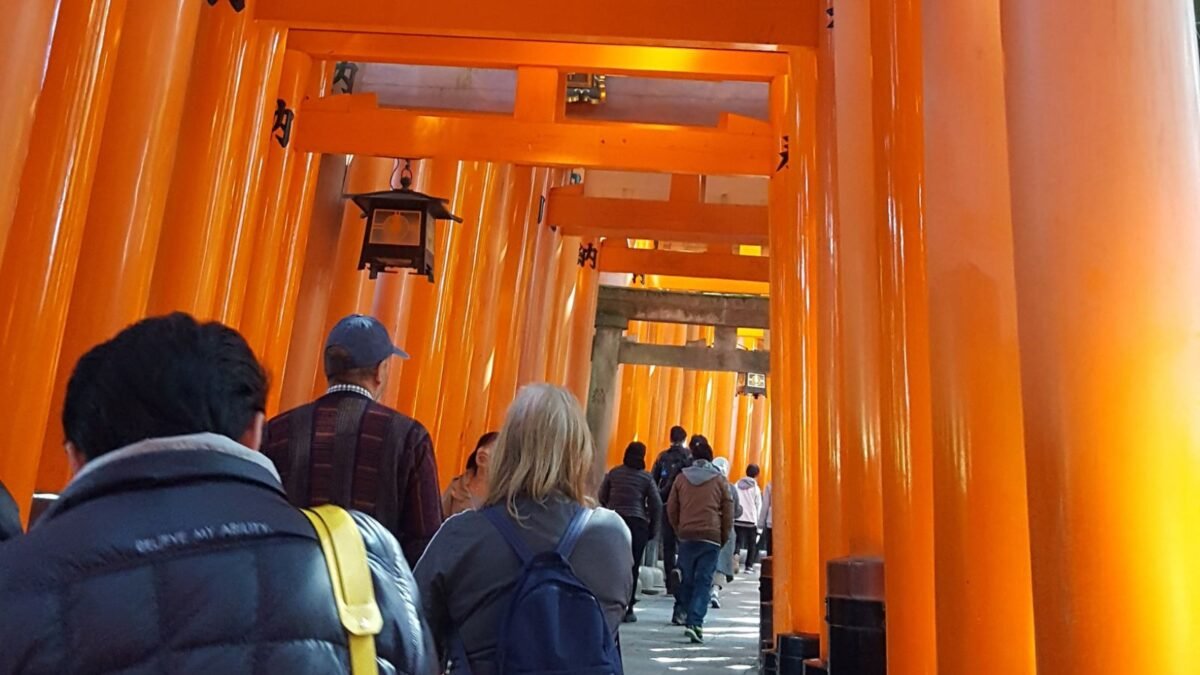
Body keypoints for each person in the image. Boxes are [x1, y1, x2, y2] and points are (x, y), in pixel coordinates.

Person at [0, 313, 435, 674]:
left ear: (74, 454)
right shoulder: (365, 561)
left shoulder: (18, 579)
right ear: (254, 432)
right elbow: (424, 537)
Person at [415, 384, 632, 674]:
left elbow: (415, 632)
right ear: (580, 453)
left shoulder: (460, 534)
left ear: (506, 451)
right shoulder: (612, 535)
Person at [264, 314, 442, 566]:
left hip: (288, 588)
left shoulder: (278, 430)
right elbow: (425, 541)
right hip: (373, 597)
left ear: (328, 369)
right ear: (380, 371)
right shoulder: (409, 437)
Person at [667, 439, 733, 643]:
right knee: (704, 581)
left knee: (686, 578)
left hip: (687, 535)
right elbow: (728, 511)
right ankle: (696, 623)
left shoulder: (681, 479)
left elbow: (671, 508)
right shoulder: (720, 481)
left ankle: (685, 612)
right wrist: (723, 535)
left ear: (693, 458)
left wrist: (679, 529)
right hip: (711, 536)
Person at [599, 441, 663, 623]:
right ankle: (629, 607)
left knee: (611, 563)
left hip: (614, 522)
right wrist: (653, 528)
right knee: (633, 566)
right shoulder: (646, 478)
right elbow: (656, 504)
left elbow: (601, 495)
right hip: (637, 523)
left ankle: (608, 600)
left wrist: (608, 509)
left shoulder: (614, 473)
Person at [650, 425, 690, 590]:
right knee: (685, 542)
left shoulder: (662, 457)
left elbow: (653, 479)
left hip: (666, 503)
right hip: (685, 504)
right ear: (684, 439)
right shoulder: (689, 457)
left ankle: (669, 580)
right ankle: (682, 574)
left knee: (668, 542)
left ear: (670, 438)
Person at [709, 457, 740, 610]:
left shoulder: (707, 484)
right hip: (725, 530)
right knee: (720, 564)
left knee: (706, 561)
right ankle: (715, 590)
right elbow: (737, 510)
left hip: (707, 526)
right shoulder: (730, 487)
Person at [442, 431, 498, 517]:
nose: (484, 451)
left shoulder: (503, 495)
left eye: (493, 449)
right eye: (483, 445)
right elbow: (437, 519)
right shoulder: (457, 486)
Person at [734, 464, 763, 572]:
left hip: (738, 518)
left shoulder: (737, 485)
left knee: (737, 541)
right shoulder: (755, 488)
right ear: (756, 475)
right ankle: (748, 566)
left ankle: (736, 555)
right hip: (751, 520)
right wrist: (759, 522)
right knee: (752, 544)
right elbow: (758, 505)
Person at [759, 481, 774, 555]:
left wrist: (761, 523)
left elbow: (765, 505)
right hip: (790, 525)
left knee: (771, 549)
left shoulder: (770, 486)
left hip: (772, 522)